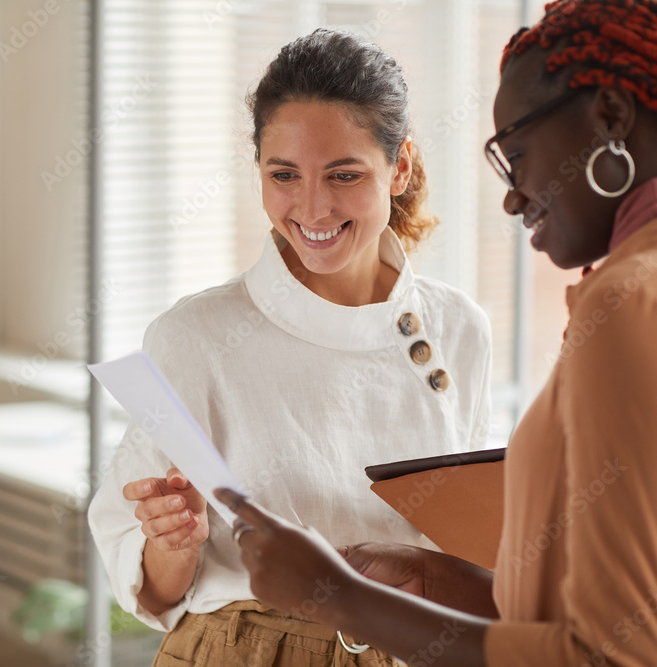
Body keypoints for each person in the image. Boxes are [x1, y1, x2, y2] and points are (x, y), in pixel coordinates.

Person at [217, 1, 657, 664]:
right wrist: (440, 581)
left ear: (611, 118)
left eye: (514, 153)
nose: (513, 196)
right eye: (283, 173)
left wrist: (337, 595)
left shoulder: (627, 303)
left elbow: (604, 655)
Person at [88, 28, 493, 665]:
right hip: (242, 648)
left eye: (344, 174)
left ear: (401, 167)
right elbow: (156, 592)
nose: (312, 207)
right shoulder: (195, 337)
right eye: (284, 174)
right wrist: (173, 543)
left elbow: (466, 542)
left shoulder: (459, 329)